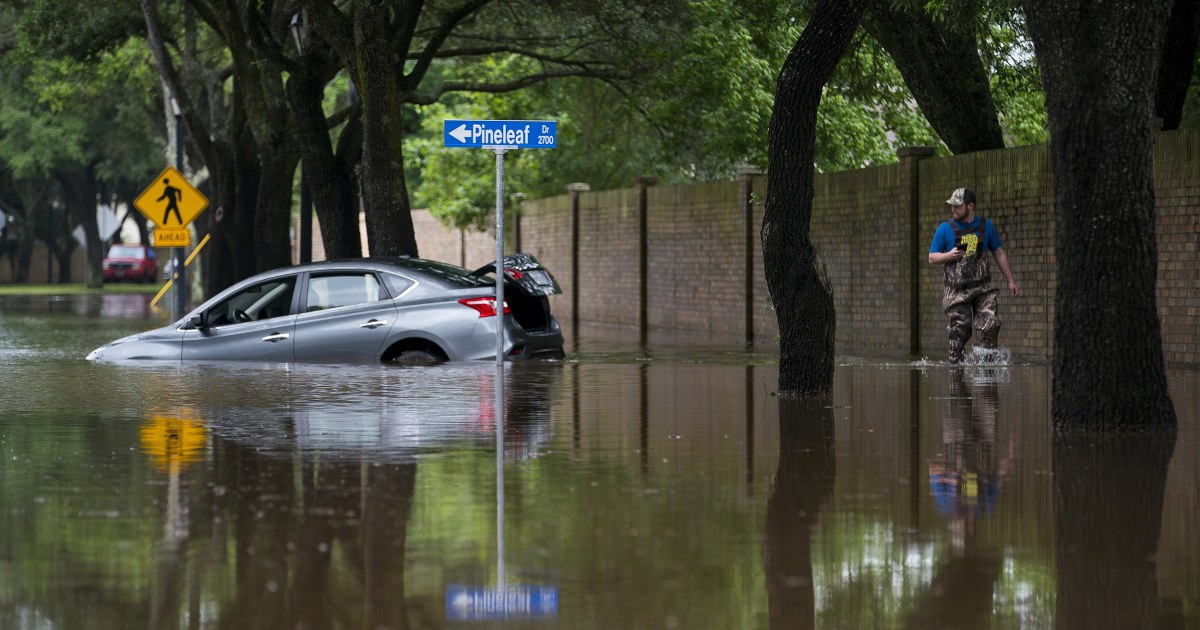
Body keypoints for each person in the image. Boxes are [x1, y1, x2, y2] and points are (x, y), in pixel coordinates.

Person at [928, 187, 1019, 364]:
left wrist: (1011, 281)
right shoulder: (945, 229)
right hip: (957, 292)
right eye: (952, 206)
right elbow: (932, 257)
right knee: (959, 333)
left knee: (990, 324)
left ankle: (987, 369)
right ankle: (956, 375)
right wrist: (949, 256)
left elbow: (998, 253)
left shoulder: (986, 226)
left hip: (983, 288)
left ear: (970, 206)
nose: (953, 209)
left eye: (958, 206)